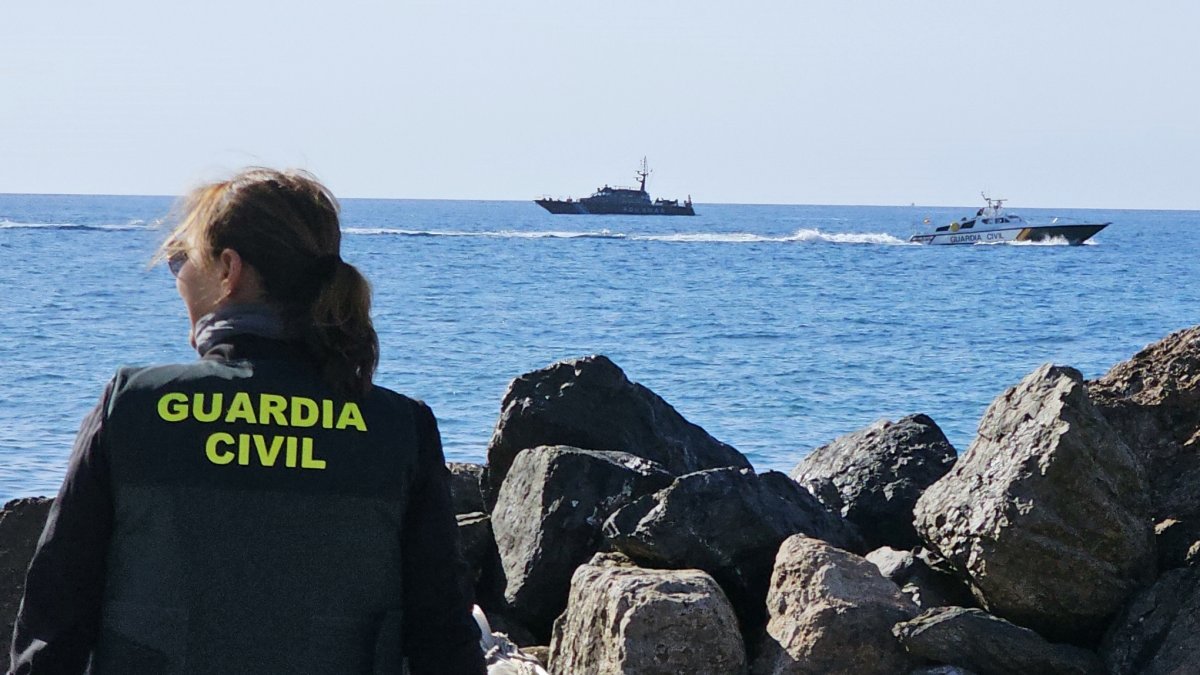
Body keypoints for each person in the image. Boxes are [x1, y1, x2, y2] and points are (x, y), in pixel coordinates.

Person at [8, 168, 486, 674]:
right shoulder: (398, 428)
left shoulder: (132, 407)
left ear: (229, 270)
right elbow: (443, 637)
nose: (177, 278)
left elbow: (53, 626)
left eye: (180, 260)